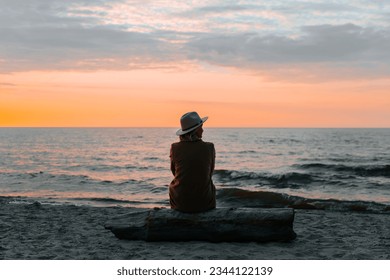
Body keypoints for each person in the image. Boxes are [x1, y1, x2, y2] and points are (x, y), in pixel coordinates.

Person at [169, 111, 216, 213]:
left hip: (180, 203)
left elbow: (174, 172)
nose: (203, 130)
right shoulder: (209, 147)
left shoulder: (175, 147)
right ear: (195, 130)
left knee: (174, 186)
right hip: (204, 203)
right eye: (201, 127)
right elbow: (209, 173)